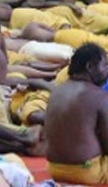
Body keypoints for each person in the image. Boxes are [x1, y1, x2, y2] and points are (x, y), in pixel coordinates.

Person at [46, 42, 108, 184]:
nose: (107, 71)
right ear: (90, 67)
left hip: (54, 169)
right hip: (87, 172)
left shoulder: (57, 91)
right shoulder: (99, 96)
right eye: (105, 66)